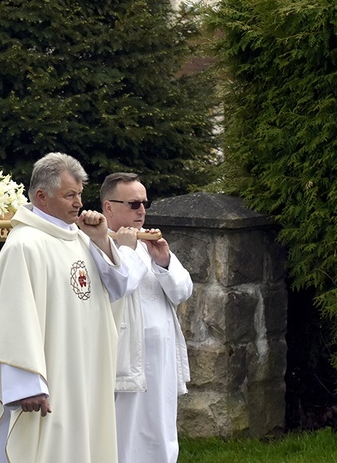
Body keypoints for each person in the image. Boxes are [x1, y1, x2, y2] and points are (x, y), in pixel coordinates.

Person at [0, 152, 130, 463]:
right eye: (69, 195)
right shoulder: (25, 244)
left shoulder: (82, 239)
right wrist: (26, 384)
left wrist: (101, 242)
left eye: (80, 194)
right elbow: (13, 317)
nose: (78, 203)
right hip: (46, 384)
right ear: (41, 197)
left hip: (82, 376)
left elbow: (119, 288)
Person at [100, 173, 193, 463]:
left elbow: (182, 291)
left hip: (161, 359)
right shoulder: (99, 244)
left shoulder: (147, 244)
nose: (142, 210)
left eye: (145, 203)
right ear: (109, 207)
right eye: (133, 203)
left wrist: (163, 260)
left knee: (161, 429)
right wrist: (128, 250)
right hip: (126, 359)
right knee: (125, 432)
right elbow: (120, 284)